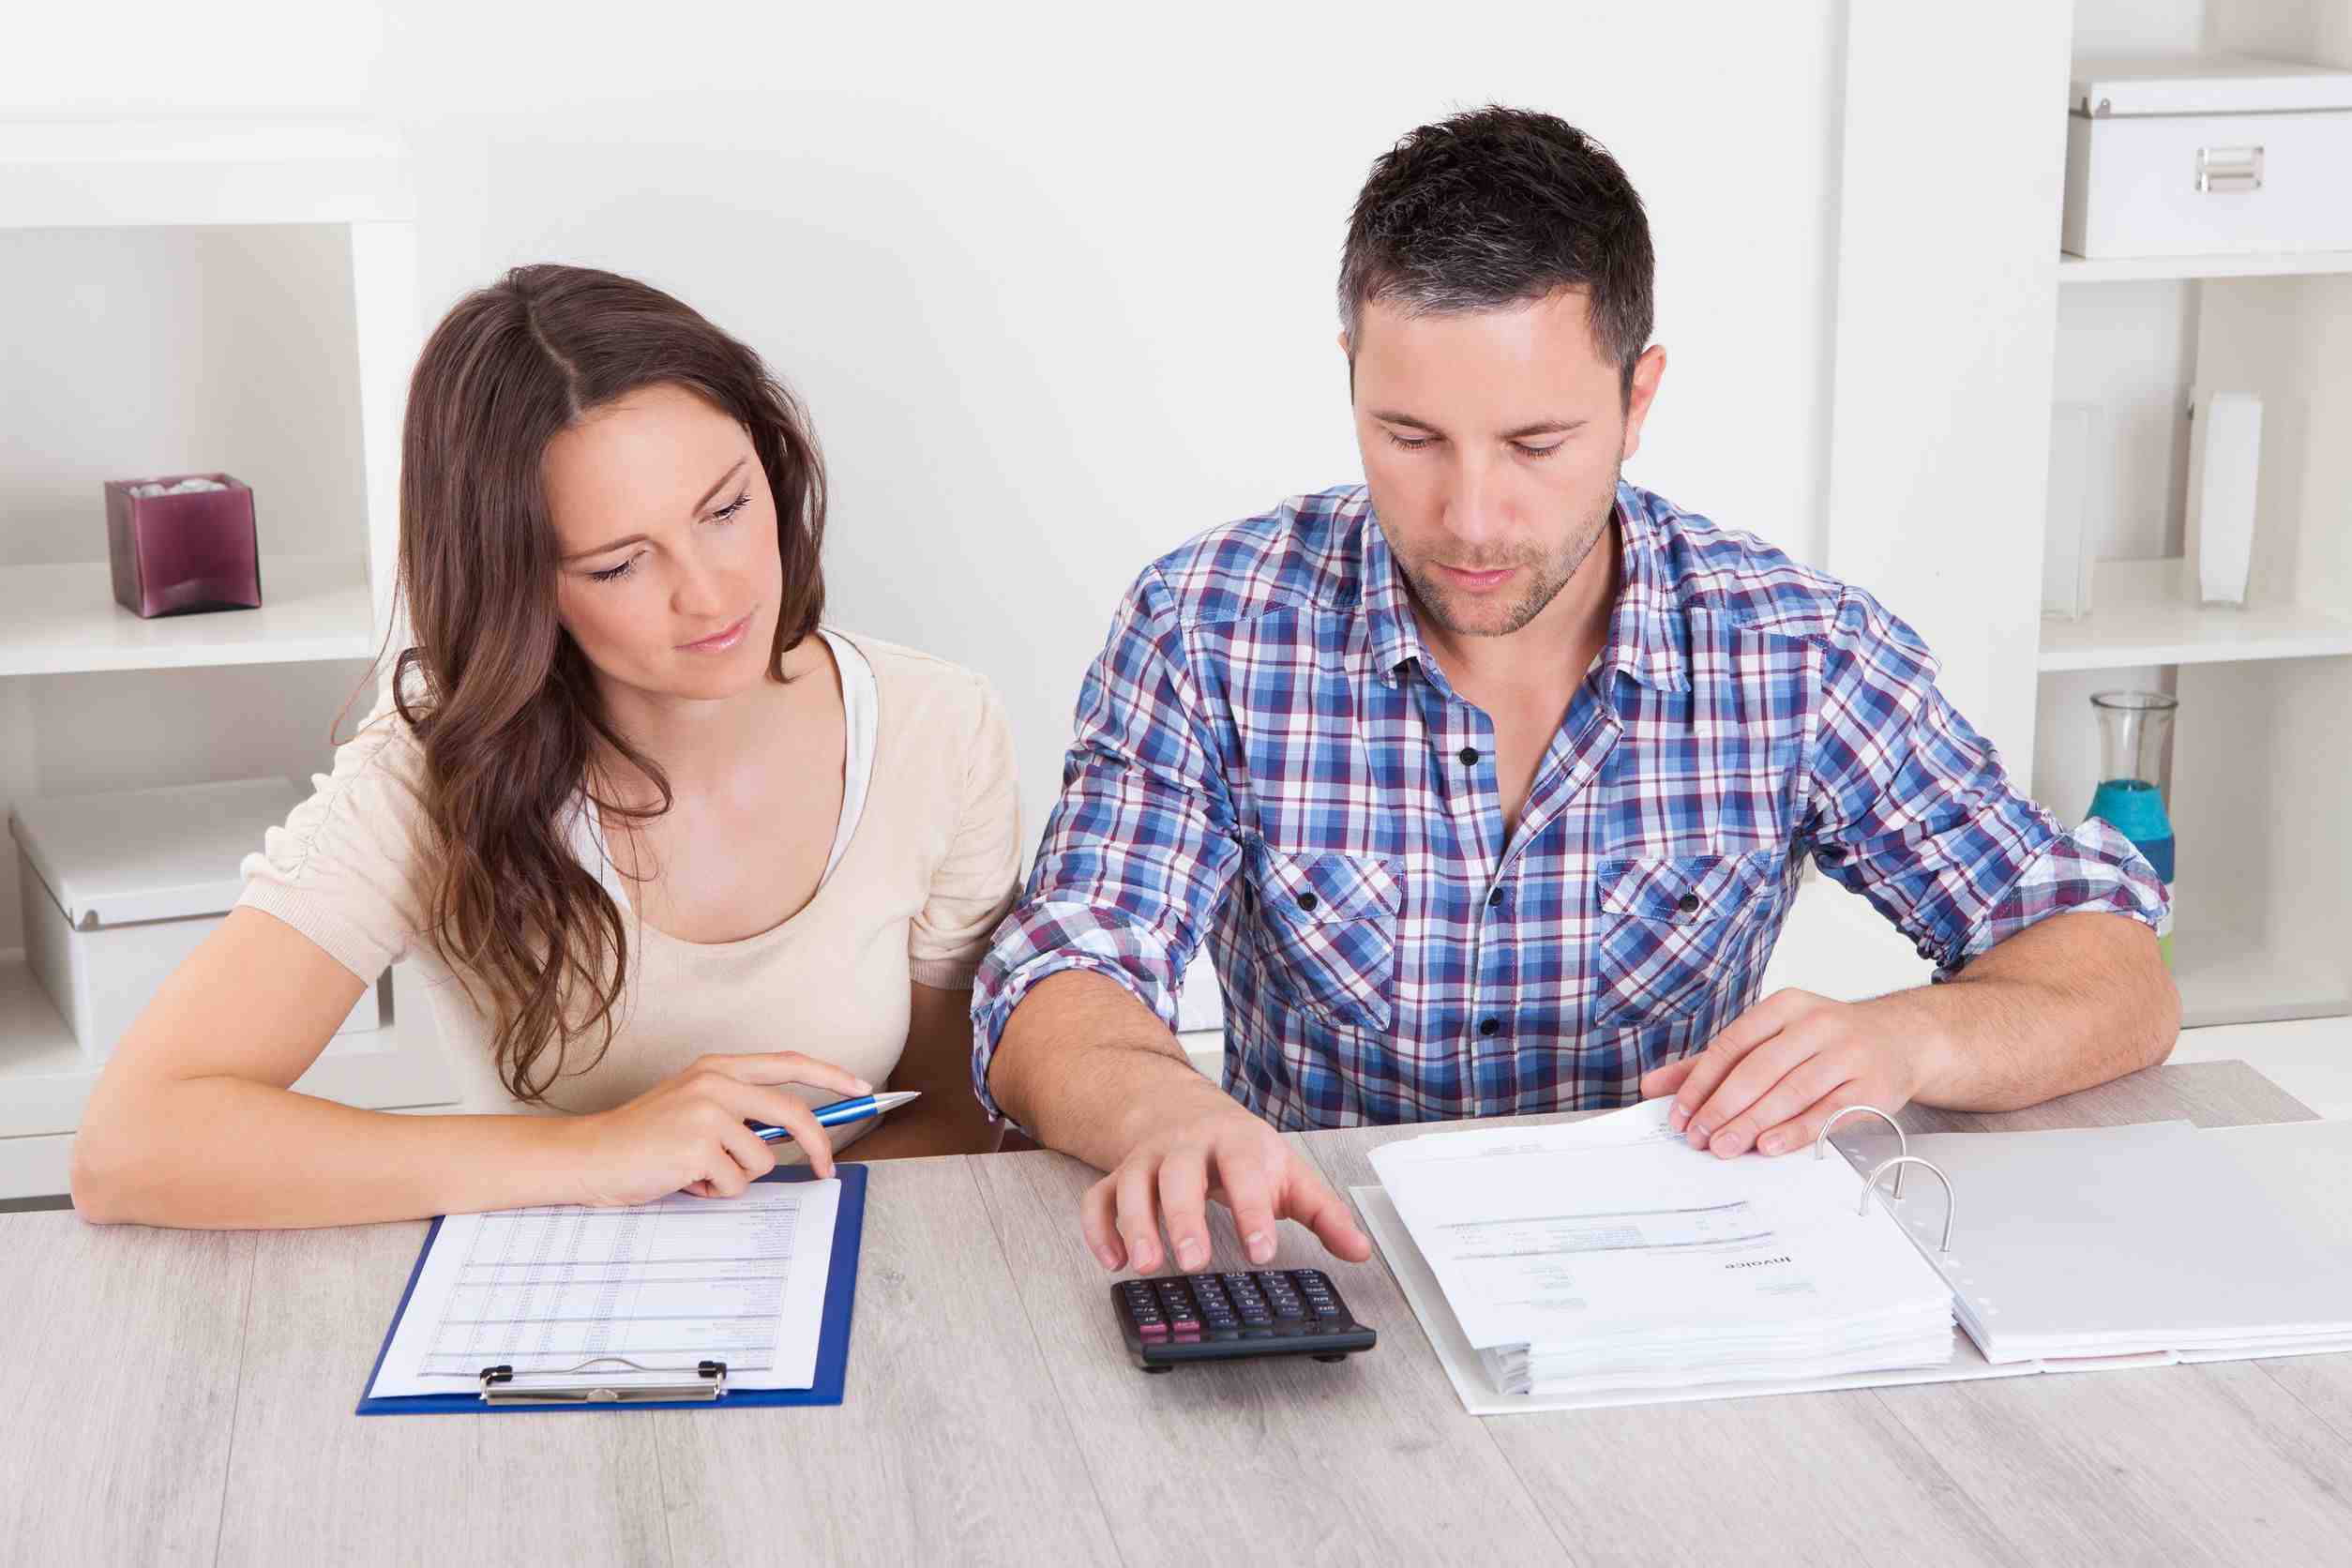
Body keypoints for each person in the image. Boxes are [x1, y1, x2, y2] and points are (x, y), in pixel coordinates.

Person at [972, 106, 2177, 1278]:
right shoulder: (1209, 626)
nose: (1469, 517)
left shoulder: (1797, 650)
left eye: (1535, 445)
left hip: (1681, 1290)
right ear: (1351, 377)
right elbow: (1059, 977)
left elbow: (2114, 974)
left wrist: (1903, 1038)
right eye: (1410, 437)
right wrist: (1167, 1112)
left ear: (1637, 399)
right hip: (1333, 1276)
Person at [73, 264, 1021, 1228]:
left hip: (849, 1263)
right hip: (547, 1286)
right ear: (519, 585)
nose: (710, 595)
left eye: (727, 510)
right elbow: (130, 1143)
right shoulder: (431, 774)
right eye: (618, 565)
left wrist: (766, 1235)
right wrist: (599, 1152)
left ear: (771, 467)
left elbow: (958, 1109)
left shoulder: (938, 727)